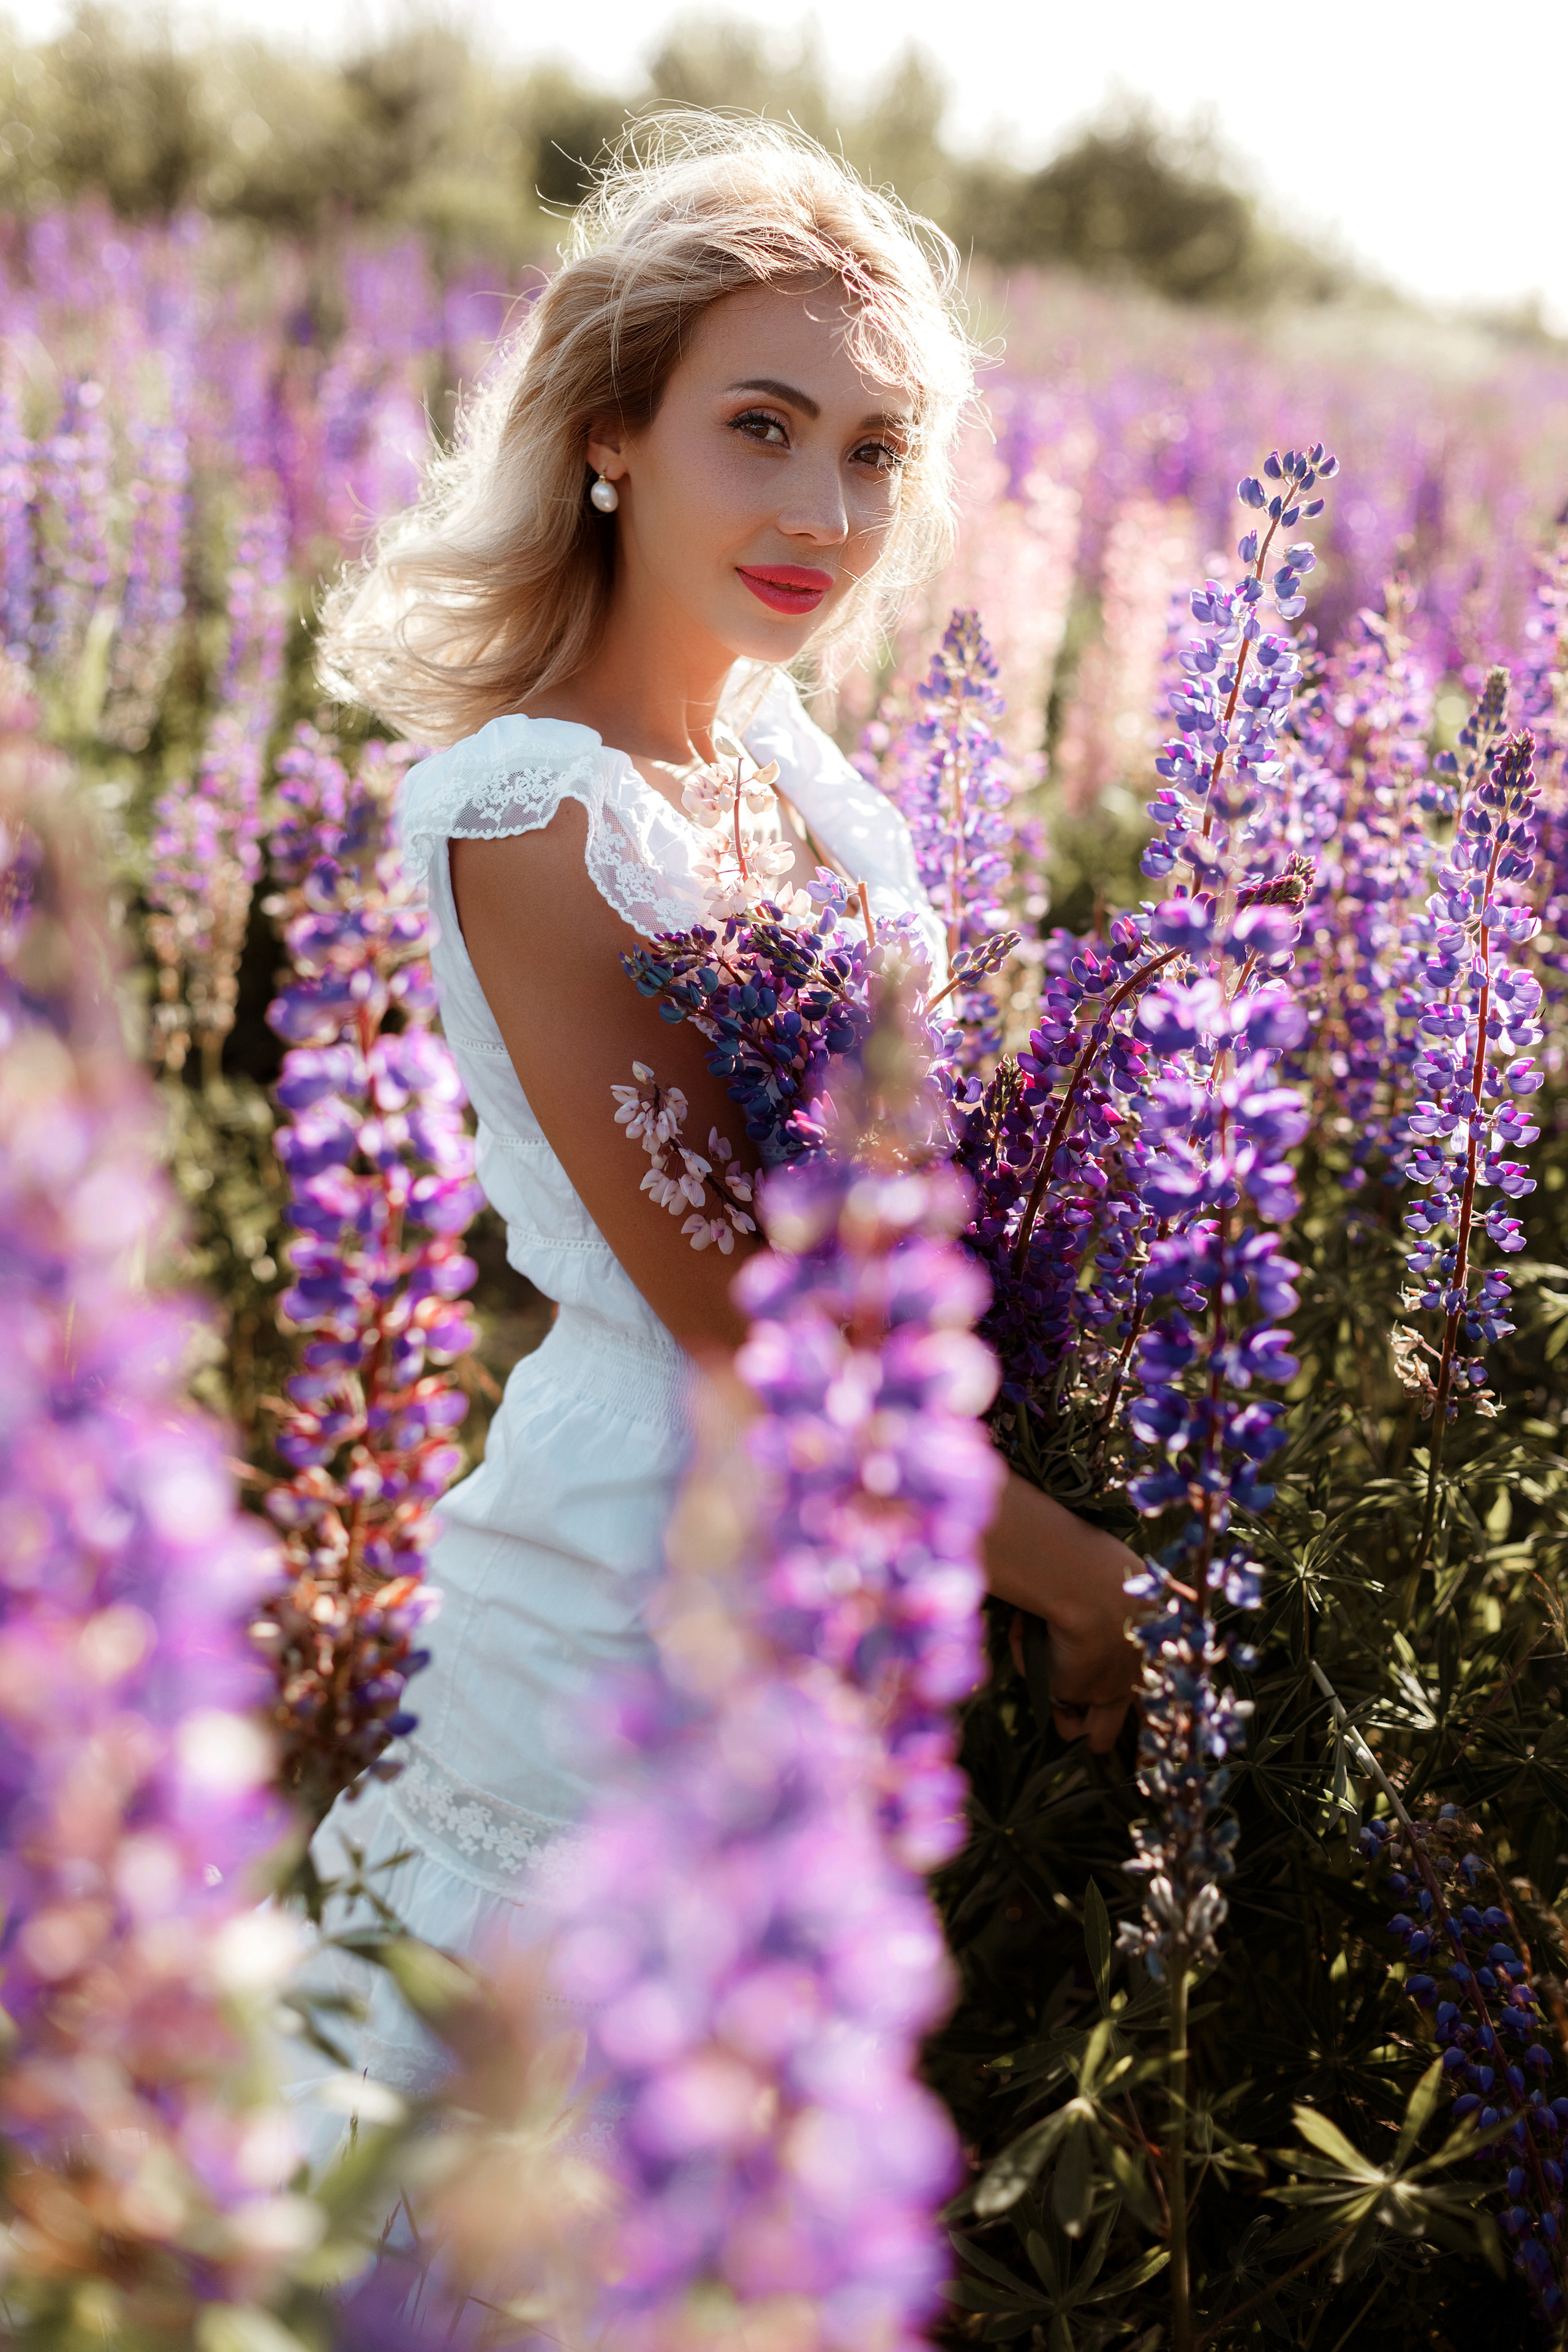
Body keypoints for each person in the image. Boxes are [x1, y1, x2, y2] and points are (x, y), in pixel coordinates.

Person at [305, 114, 1140, 2112]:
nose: (824, 511)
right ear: (612, 431)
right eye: (758, 426)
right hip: (631, 1595)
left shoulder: (776, 755)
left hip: (848, 1592)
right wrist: (1085, 1574)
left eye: (871, 452)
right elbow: (739, 1327)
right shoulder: (534, 808)